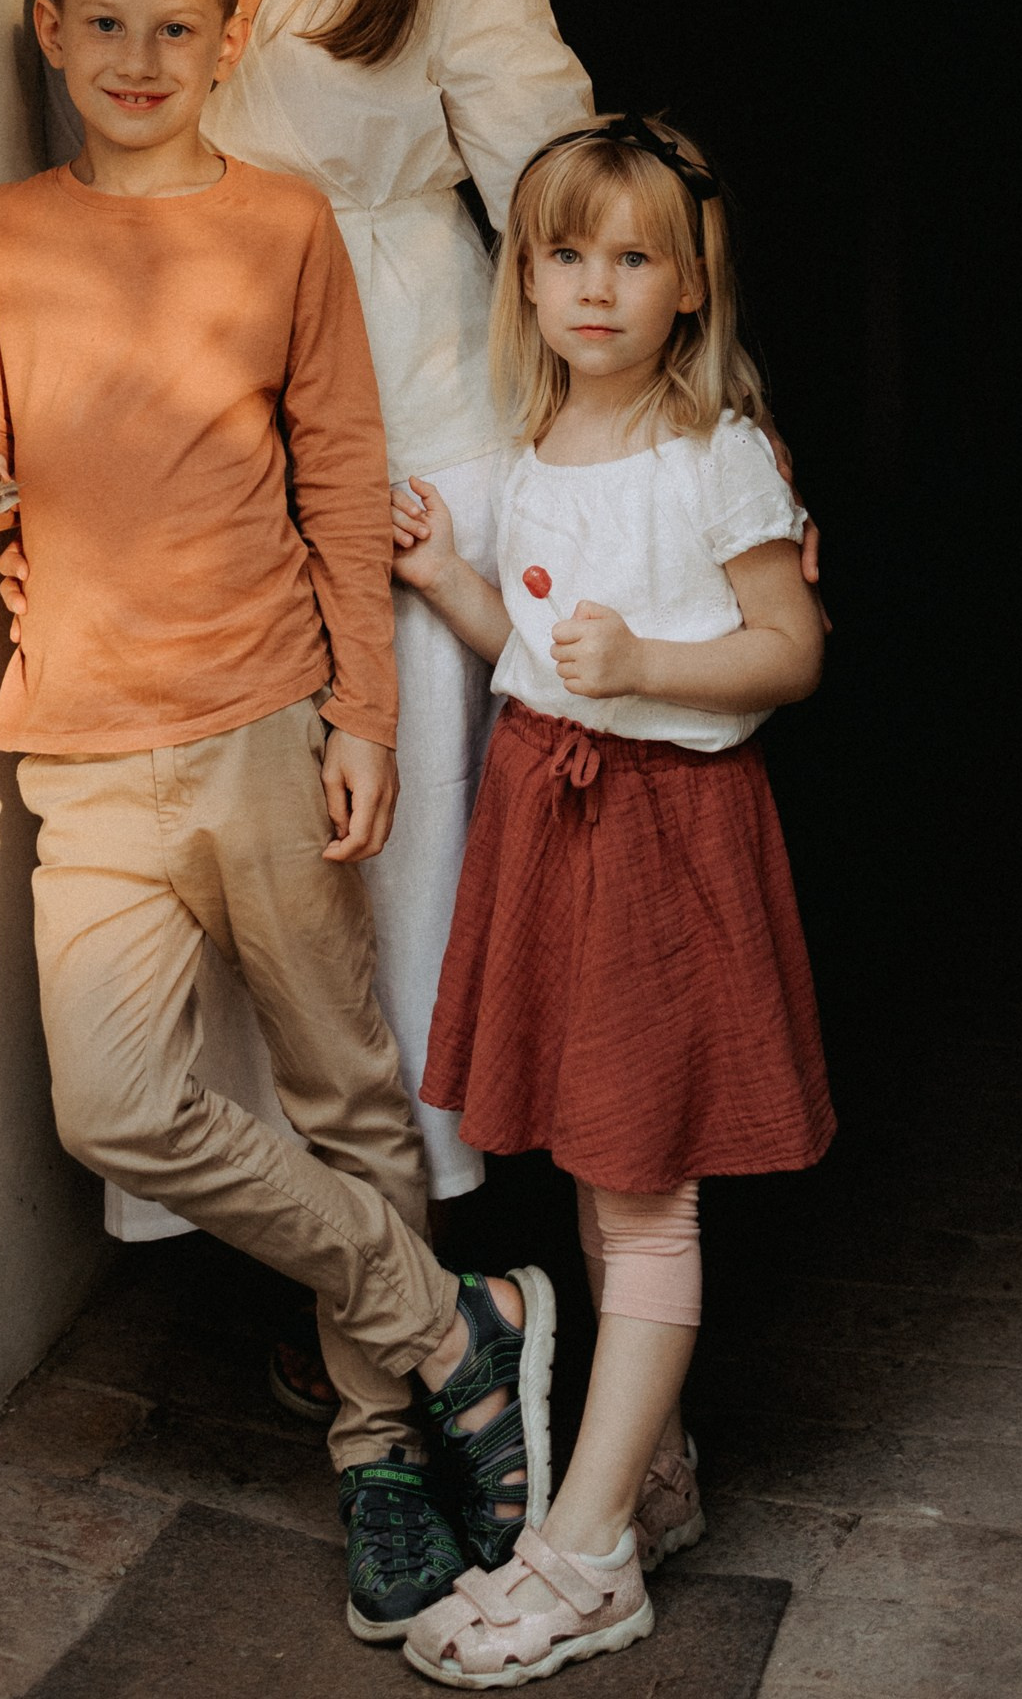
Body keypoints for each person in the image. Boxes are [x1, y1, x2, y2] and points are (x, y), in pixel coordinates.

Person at [0, 0, 556, 1642]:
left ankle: (375, 1459)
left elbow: (342, 479)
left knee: (349, 1096)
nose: (136, 58)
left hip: (269, 717)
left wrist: (363, 711)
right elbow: (7, 443)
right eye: (103, 24)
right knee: (114, 1103)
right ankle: (449, 1329)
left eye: (173, 30)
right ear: (50, 30)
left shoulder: (282, 229)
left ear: (228, 36)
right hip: (88, 750)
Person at [15, 0, 598, 1304]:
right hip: (214, 496)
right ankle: (363, 1305)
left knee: (398, 912)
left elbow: (578, 209)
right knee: (249, 929)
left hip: (418, 467)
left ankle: (473, 1298)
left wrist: (720, 452)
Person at [388, 111, 833, 1686]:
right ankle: (648, 1473)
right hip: (552, 827)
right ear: (524, 276)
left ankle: (579, 1563)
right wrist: (448, 570)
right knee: (595, 1167)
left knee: (645, 1191)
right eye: (565, 253)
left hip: (661, 836)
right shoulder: (538, 449)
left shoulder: (718, 459)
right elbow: (525, 638)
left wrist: (649, 666)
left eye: (634, 257)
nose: (595, 285)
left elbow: (789, 649)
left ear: (691, 287)